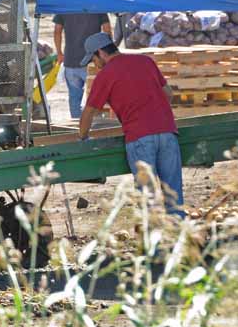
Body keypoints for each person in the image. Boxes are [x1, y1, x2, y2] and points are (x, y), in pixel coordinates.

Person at [78, 33, 183, 213]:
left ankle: (152, 240)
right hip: (168, 133)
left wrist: (83, 137)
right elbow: (168, 94)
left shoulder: (105, 75)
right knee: (174, 196)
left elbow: (88, 112)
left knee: (147, 199)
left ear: (101, 53)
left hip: (139, 138)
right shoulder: (145, 61)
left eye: (93, 59)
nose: (94, 65)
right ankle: (180, 238)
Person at [53, 13, 112, 118]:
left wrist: (59, 53)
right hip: (93, 62)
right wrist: (108, 53)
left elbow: (57, 31)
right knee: (97, 97)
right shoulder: (98, 4)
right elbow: (107, 30)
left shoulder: (65, 5)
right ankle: (96, 127)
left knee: (74, 98)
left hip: (71, 60)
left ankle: (77, 128)